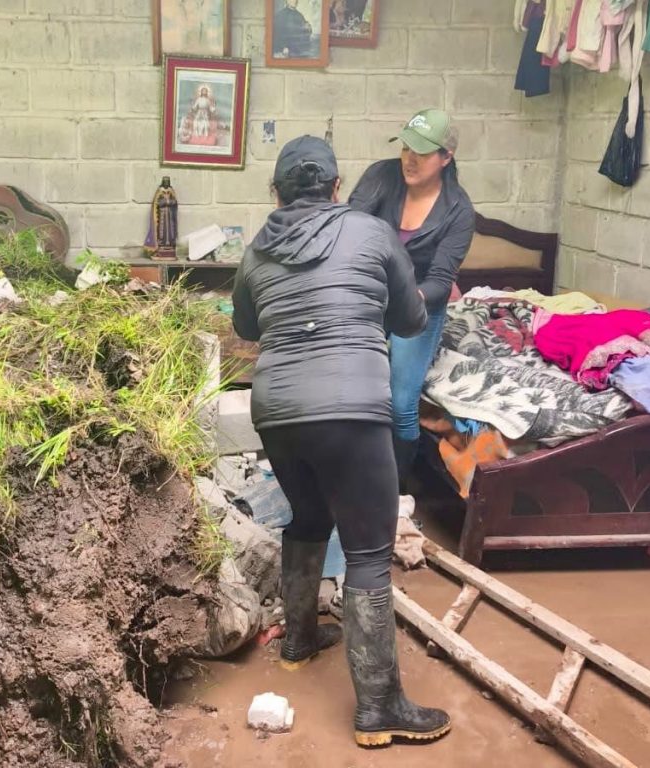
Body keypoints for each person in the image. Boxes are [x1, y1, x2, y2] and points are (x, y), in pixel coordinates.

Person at [231, 135, 451, 748]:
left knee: (307, 517)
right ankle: (379, 708)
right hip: (350, 410)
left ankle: (300, 639)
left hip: (276, 410)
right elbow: (410, 319)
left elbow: (246, 326)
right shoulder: (373, 233)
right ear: (334, 187)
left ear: (276, 193)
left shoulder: (255, 250)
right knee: (369, 552)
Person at [348, 108, 476, 491]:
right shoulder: (380, 176)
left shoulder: (459, 211)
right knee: (350, 391)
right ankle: (347, 479)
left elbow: (440, 280)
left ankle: (393, 492)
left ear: (446, 157)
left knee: (401, 404)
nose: (409, 158)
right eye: (406, 147)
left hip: (418, 305)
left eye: (422, 151)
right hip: (366, 295)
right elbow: (349, 227)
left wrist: (406, 299)